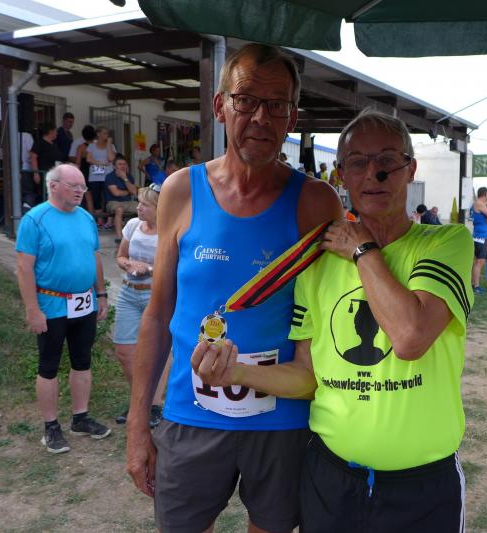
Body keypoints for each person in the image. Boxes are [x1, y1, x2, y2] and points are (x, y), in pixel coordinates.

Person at [192, 109, 473, 533]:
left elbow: (410, 337)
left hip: (422, 486)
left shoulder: (446, 242)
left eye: (388, 160)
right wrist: (236, 373)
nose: (373, 174)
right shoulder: (316, 264)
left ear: (410, 169)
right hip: (331, 480)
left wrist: (363, 251)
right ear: (341, 175)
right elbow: (308, 376)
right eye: (358, 162)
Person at [125, 43, 342, 533]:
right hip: (192, 413)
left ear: (293, 117)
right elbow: (157, 315)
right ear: (220, 106)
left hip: (282, 422)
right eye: (246, 100)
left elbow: (332, 317)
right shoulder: (181, 191)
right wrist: (138, 425)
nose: (261, 117)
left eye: (277, 104)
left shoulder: (316, 202)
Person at [15, 164, 111, 454]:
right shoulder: (35, 219)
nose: (81, 191)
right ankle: (51, 426)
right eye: (74, 185)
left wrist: (101, 294)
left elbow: (94, 257)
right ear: (53, 185)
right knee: (49, 365)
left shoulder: (86, 217)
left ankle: (80, 418)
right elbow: (24, 268)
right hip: (51, 304)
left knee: (82, 361)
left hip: (84, 302)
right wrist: (32, 309)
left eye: (83, 186)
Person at [113, 185, 166, 428]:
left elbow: (175, 265)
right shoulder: (133, 225)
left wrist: (149, 269)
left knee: (158, 352)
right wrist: (128, 264)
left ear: (158, 208)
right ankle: (140, 400)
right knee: (124, 351)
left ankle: (153, 405)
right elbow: (120, 256)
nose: (138, 208)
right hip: (128, 293)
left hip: (155, 295)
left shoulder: (168, 230)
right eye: (138, 203)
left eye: (144, 204)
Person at [86, 126, 116, 229]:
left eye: (107, 134)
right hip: (95, 176)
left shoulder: (111, 146)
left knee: (108, 198)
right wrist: (101, 163)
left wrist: (109, 144)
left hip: (108, 176)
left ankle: (109, 221)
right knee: (96, 198)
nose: (106, 135)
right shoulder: (91, 146)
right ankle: (100, 220)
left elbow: (111, 158)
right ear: (98, 134)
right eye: (104, 133)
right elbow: (89, 159)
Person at [105, 155, 139, 244]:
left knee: (142, 208)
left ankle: (142, 234)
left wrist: (125, 178)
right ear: (114, 166)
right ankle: (119, 237)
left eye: (124, 164)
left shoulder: (129, 176)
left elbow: (134, 192)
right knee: (119, 209)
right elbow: (116, 193)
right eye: (120, 164)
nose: (123, 166)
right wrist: (128, 192)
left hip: (128, 202)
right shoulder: (109, 176)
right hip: (113, 202)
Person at [28, 123, 62, 208]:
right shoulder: (39, 143)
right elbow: (33, 156)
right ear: (50, 131)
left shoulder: (54, 144)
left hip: (54, 174)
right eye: (55, 131)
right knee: (46, 194)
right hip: (44, 173)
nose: (57, 133)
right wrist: (36, 173)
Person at [469, 187, 487, 294]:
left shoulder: (477, 204)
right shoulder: (479, 203)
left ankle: (474, 284)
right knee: (480, 262)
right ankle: (476, 286)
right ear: (485, 194)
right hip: (481, 236)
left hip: (479, 235)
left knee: (477, 261)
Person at [72, 125, 97, 214]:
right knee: (98, 196)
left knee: (88, 196)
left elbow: (78, 162)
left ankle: (91, 217)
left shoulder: (81, 147)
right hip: (97, 171)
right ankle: (100, 218)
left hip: (85, 172)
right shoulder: (97, 146)